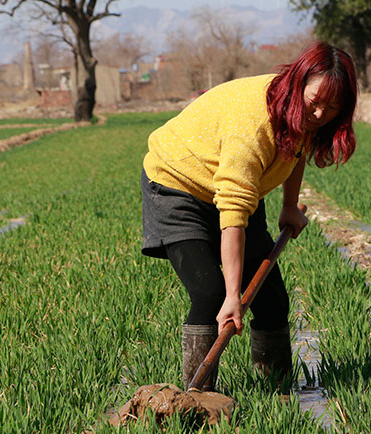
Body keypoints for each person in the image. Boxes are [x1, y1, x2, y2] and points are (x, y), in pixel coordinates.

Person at [141, 41, 357, 392]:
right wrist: (232, 296)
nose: (319, 115)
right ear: (297, 82)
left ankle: (277, 394)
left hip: (233, 186)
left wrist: (289, 205)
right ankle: (198, 400)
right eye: (314, 101)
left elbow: (297, 149)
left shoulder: (298, 112)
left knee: (271, 298)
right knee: (209, 293)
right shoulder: (252, 123)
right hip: (177, 184)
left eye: (332, 107)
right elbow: (233, 214)